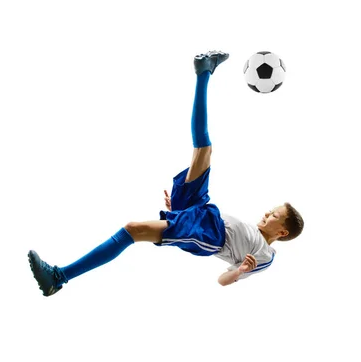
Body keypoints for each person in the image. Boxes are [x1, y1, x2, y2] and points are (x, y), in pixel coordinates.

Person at [28, 50, 304, 296]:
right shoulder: (252, 231)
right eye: (271, 210)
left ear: (281, 231)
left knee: (133, 230)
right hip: (202, 211)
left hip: (209, 233)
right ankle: (204, 71)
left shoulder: (265, 255)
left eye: (274, 216)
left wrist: (240, 270)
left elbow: (222, 280)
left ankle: (58, 277)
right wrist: (181, 212)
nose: (267, 214)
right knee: (204, 150)